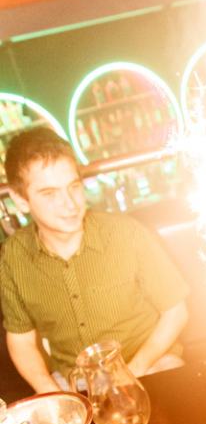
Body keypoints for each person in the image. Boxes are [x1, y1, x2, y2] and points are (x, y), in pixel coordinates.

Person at [0, 127, 189, 393]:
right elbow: (21, 341)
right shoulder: (13, 257)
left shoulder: (126, 233)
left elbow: (176, 311)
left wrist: (131, 374)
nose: (70, 204)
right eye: (50, 194)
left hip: (148, 364)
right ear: (20, 200)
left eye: (74, 187)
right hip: (74, 381)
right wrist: (53, 393)